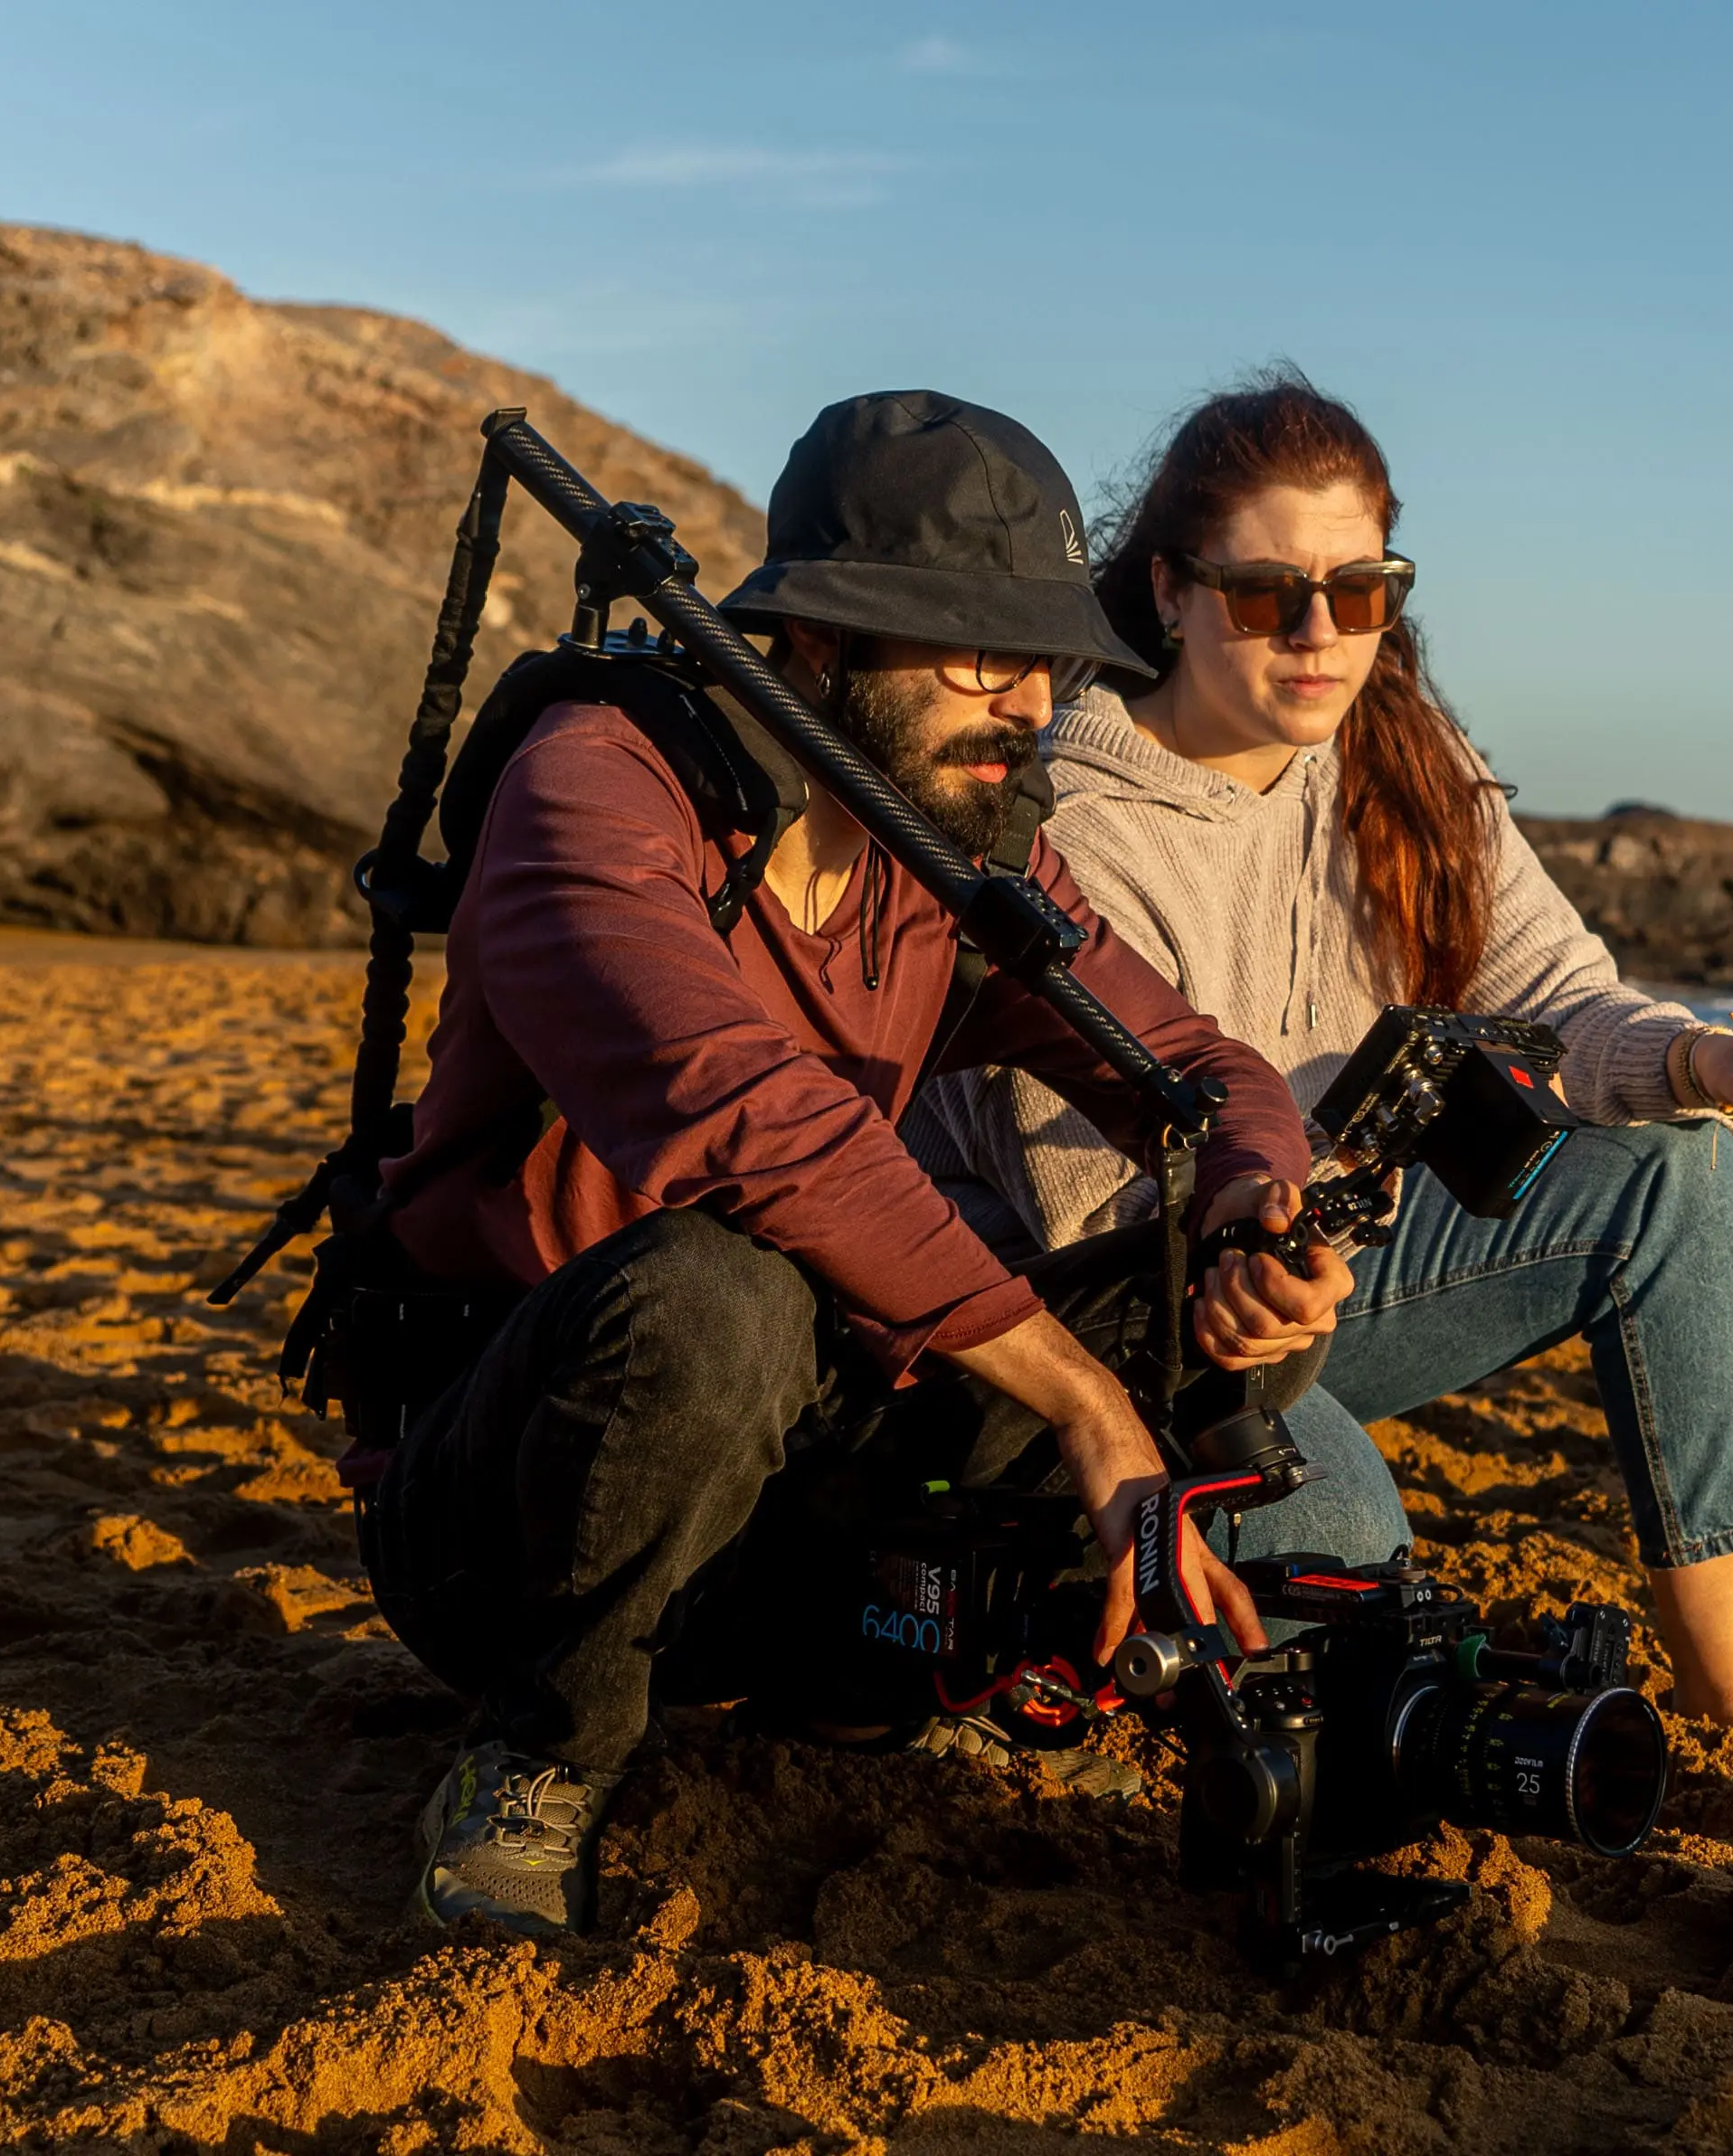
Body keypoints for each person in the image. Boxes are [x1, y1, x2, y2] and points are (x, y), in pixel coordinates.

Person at [358, 390, 1398, 1942]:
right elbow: (745, 1116)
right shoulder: (599, 784)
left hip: (788, 1501)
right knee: (718, 1287)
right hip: (513, 1511)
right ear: (820, 639)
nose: (1027, 704)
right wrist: (1083, 1405)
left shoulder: (951, 846)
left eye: (1046, 661)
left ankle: (874, 1677)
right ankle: (540, 1757)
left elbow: (1197, 1066)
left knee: (1217, 1307)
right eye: (979, 655)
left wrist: (1253, 1201)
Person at [908, 369, 1733, 1782]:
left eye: (1358, 592)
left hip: (1317, 1271)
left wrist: (1701, 1056)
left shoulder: (1397, 755)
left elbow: (1553, 993)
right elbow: (1103, 1217)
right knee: (1350, 1554)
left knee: (1682, 1170)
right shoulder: (1079, 823)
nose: (1318, 634)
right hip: (1118, 1321)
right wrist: (1256, 1264)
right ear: (1169, 590)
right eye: (1265, 595)